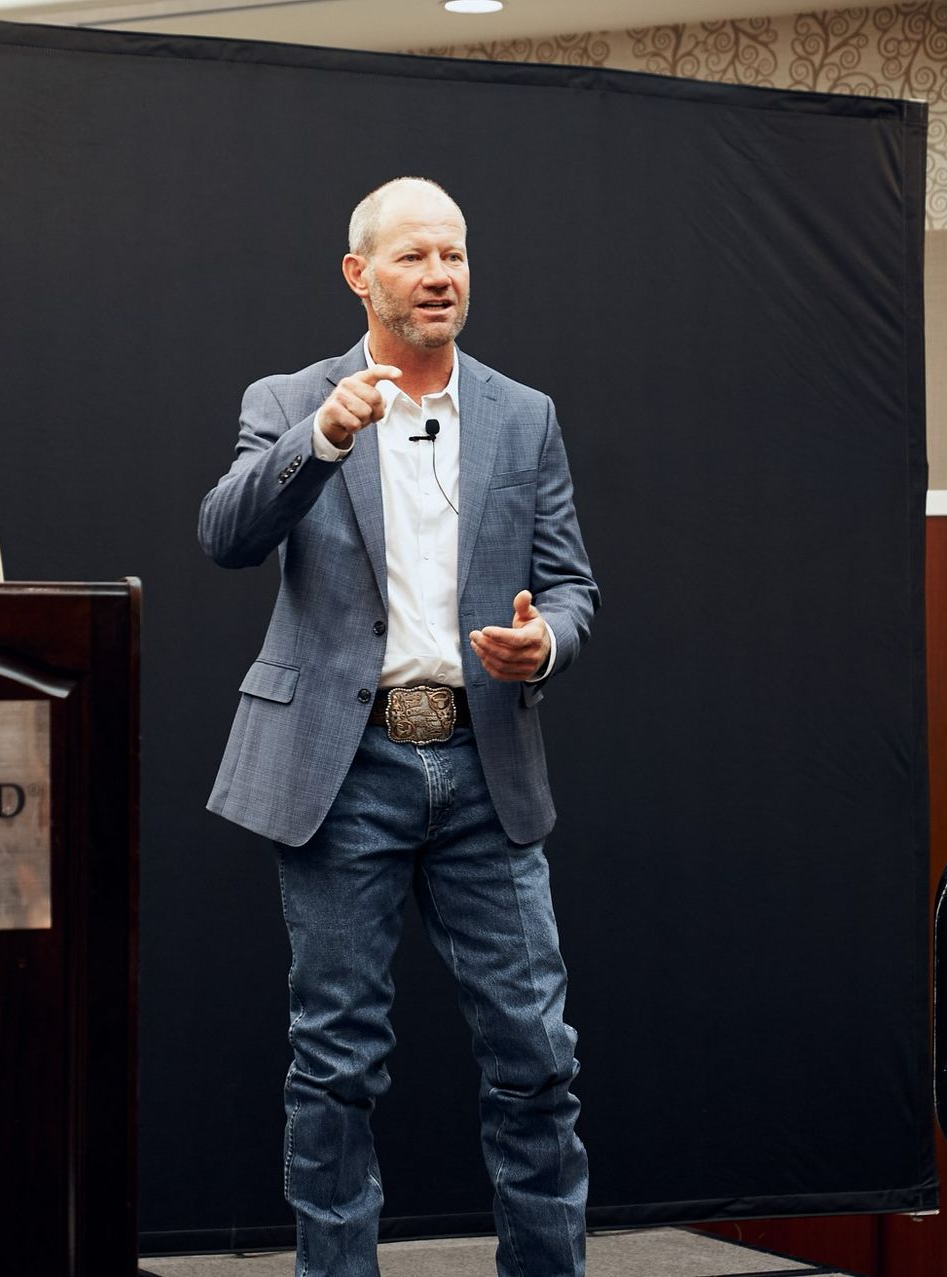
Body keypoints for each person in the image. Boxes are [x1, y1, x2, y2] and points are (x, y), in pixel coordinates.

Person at [198, 176, 597, 1277]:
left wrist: (544, 643)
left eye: (455, 256)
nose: (440, 277)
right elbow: (224, 533)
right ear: (358, 274)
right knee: (335, 1062)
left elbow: (571, 587)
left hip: (485, 765)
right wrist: (321, 439)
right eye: (416, 257)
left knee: (537, 1057)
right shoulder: (289, 398)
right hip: (344, 766)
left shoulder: (524, 414)